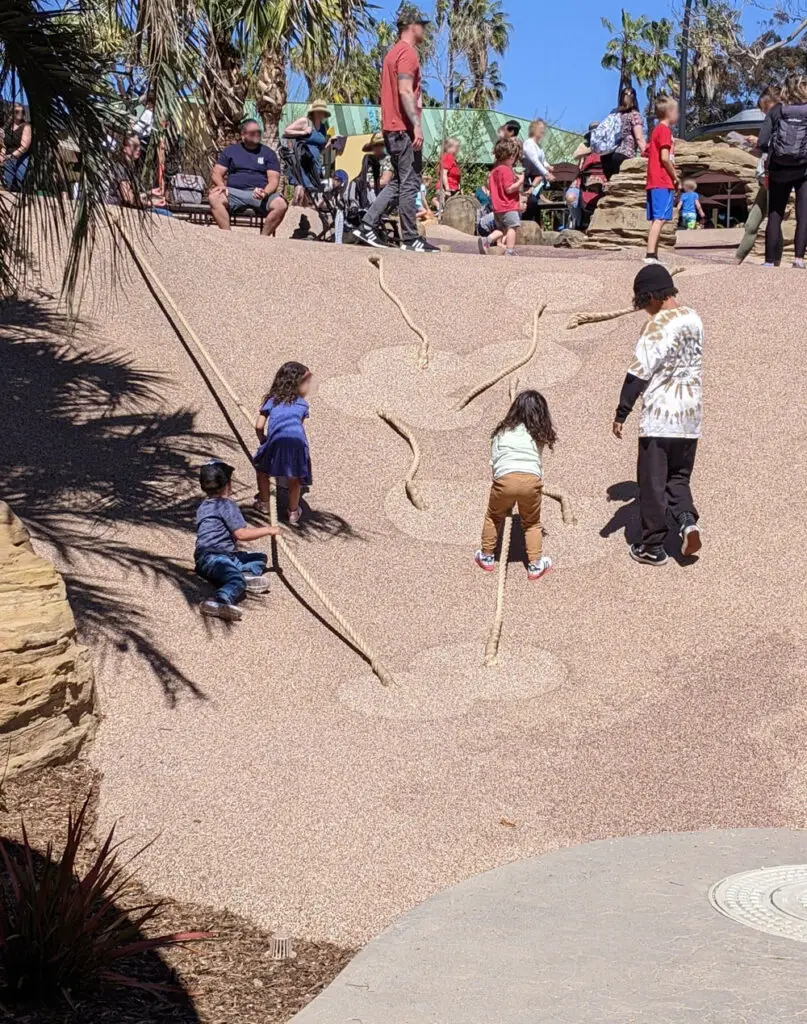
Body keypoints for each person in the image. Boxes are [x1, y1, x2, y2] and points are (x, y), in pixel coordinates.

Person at [612, 264, 703, 566]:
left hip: (661, 417)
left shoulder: (658, 325)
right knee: (678, 478)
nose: (645, 311)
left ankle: (652, 547)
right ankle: (687, 522)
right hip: (690, 415)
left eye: (644, 304)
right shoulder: (694, 318)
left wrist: (622, 412)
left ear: (651, 296)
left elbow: (638, 372)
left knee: (651, 483)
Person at [352, 3, 439, 253]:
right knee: (410, 182)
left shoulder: (392, 53)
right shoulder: (408, 54)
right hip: (402, 129)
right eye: (422, 25)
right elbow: (404, 90)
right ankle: (410, 239)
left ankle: (368, 224)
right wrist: (417, 126)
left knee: (399, 182)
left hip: (392, 128)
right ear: (411, 27)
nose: (425, 31)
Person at [474, 390, 557, 582]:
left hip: (504, 478)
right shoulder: (539, 435)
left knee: (494, 516)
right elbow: (536, 461)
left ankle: (486, 555)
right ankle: (535, 565)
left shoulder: (501, 432)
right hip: (531, 480)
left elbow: (494, 461)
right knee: (532, 522)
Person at [194, 460, 279, 622]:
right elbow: (241, 534)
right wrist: (269, 530)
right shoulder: (227, 505)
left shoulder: (204, 505)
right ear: (228, 484)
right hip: (216, 558)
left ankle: (245, 575)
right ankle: (221, 600)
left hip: (207, 558)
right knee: (235, 580)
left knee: (258, 558)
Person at [253, 361, 313, 526]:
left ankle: (264, 502)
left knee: (263, 470)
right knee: (295, 479)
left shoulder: (272, 400)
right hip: (298, 443)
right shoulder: (302, 404)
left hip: (277, 439)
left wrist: (263, 440)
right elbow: (298, 427)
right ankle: (293, 511)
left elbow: (258, 425)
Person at [757, 73, 807, 269]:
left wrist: (773, 153)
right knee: (803, 214)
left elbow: (762, 142)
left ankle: (769, 261)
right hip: (803, 169)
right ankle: (798, 259)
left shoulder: (777, 110)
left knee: (775, 214)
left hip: (778, 169)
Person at [209, 119, 288, 237]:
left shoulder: (268, 154)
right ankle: (227, 236)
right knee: (214, 197)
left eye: (258, 132)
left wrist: (265, 192)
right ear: (243, 135)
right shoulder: (231, 151)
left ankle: (263, 238)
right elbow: (216, 173)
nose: (256, 135)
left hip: (260, 194)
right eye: (252, 132)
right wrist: (221, 185)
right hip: (234, 193)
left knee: (281, 205)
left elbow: (274, 180)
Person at [734, 86, 781, 264]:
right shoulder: (769, 123)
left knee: (774, 223)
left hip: (775, 178)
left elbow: (778, 147)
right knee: (751, 224)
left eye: (765, 108)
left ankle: (775, 260)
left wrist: (761, 142)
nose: (764, 113)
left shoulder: (783, 122)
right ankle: (736, 261)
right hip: (763, 179)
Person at [645, 96, 680, 264]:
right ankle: (650, 254)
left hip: (653, 181)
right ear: (670, 112)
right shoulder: (665, 131)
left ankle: (654, 254)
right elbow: (665, 158)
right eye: (677, 111)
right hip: (662, 180)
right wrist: (675, 176)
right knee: (660, 218)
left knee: (656, 219)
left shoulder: (655, 130)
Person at [478, 137, 523, 256]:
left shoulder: (494, 171)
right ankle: (510, 250)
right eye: (513, 156)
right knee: (512, 227)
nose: (514, 159)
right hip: (508, 206)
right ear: (509, 156)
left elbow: (489, 186)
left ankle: (486, 240)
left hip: (497, 207)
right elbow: (509, 189)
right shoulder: (507, 170)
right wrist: (519, 182)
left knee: (502, 229)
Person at [284, 99, 332, 200]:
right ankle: (295, 213)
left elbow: (321, 149)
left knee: (311, 196)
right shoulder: (305, 121)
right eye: (318, 111)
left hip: (315, 164)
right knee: (301, 192)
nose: (320, 113)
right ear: (313, 112)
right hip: (303, 162)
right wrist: (304, 132)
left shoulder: (324, 127)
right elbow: (287, 131)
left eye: (322, 112)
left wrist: (330, 142)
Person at [106, 133, 168, 211]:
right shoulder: (120, 168)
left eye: (139, 146)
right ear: (124, 148)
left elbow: (134, 196)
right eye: (135, 146)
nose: (138, 149)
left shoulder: (130, 169)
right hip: (117, 208)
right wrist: (151, 203)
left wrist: (150, 192)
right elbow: (128, 198)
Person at [601, 87, 647, 181]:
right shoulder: (634, 115)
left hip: (606, 156)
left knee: (612, 187)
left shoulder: (614, 115)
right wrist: (647, 155)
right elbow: (639, 138)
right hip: (624, 156)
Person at [1, 104, 31, 192]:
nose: (20, 113)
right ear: (12, 113)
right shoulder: (8, 128)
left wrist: (9, 156)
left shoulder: (26, 127)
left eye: (22, 111)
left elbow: (24, 147)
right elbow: (4, 145)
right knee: (8, 184)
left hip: (21, 158)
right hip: (8, 158)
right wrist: (3, 155)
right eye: (17, 111)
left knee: (19, 183)